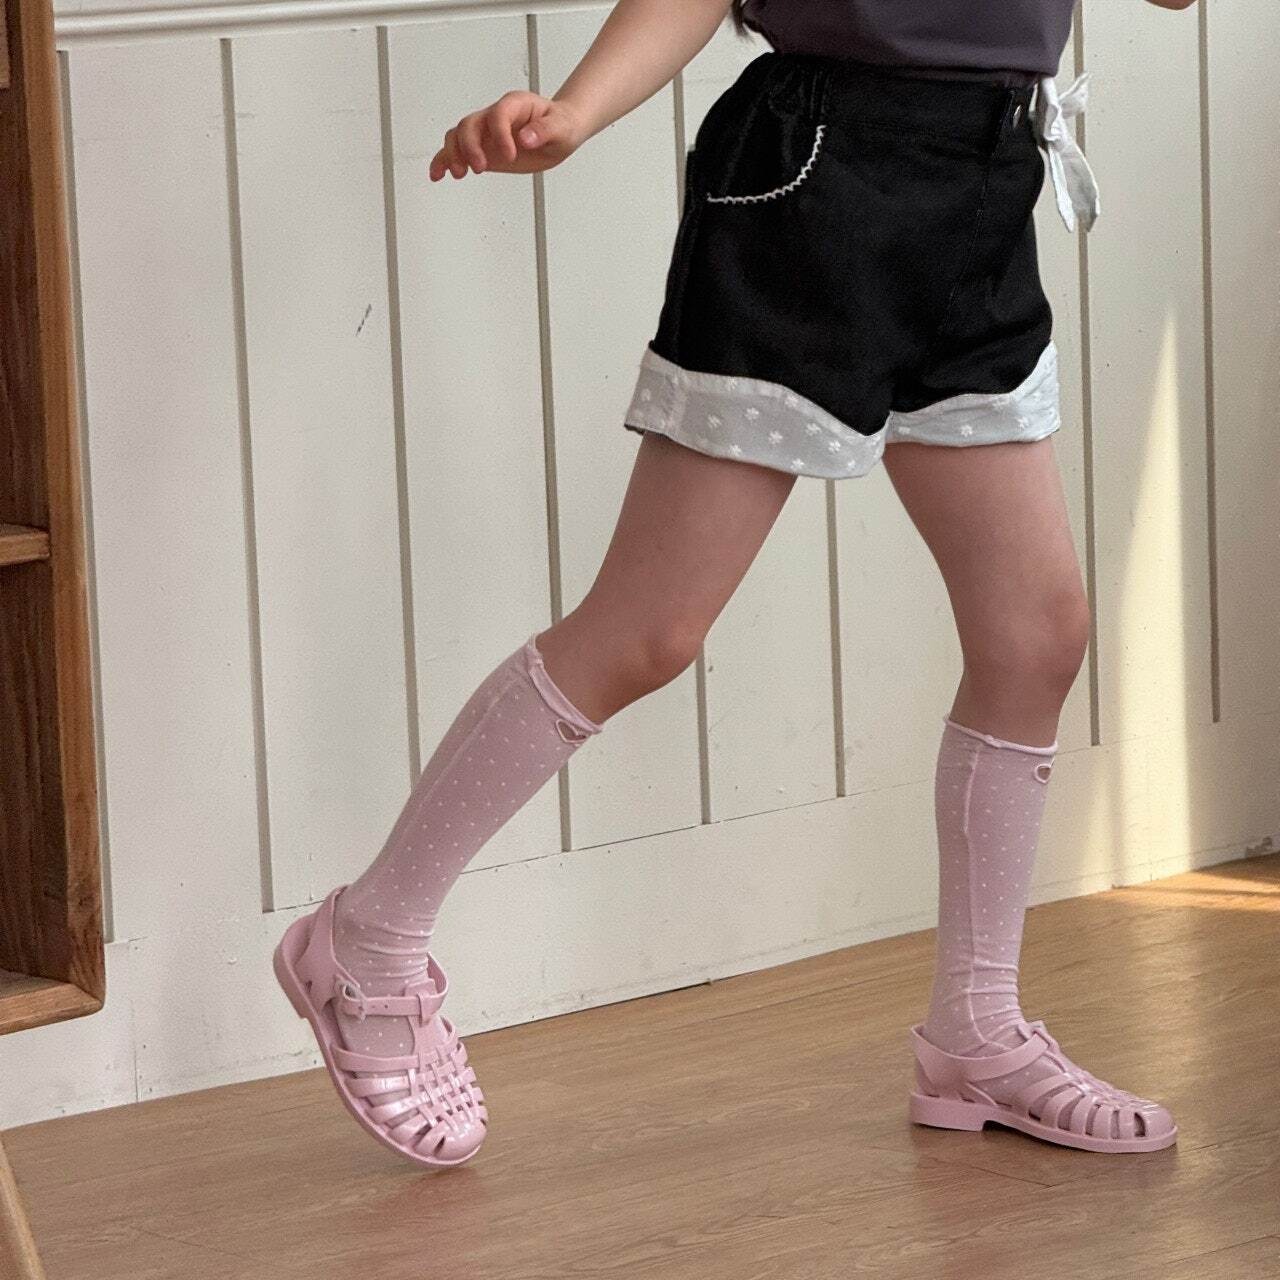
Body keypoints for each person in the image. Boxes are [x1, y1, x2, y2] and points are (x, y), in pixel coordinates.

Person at [273, 0, 1198, 1167]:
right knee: (647, 629)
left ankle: (975, 1030)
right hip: (813, 186)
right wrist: (575, 111)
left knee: (1035, 634)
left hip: (982, 187)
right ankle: (366, 938)